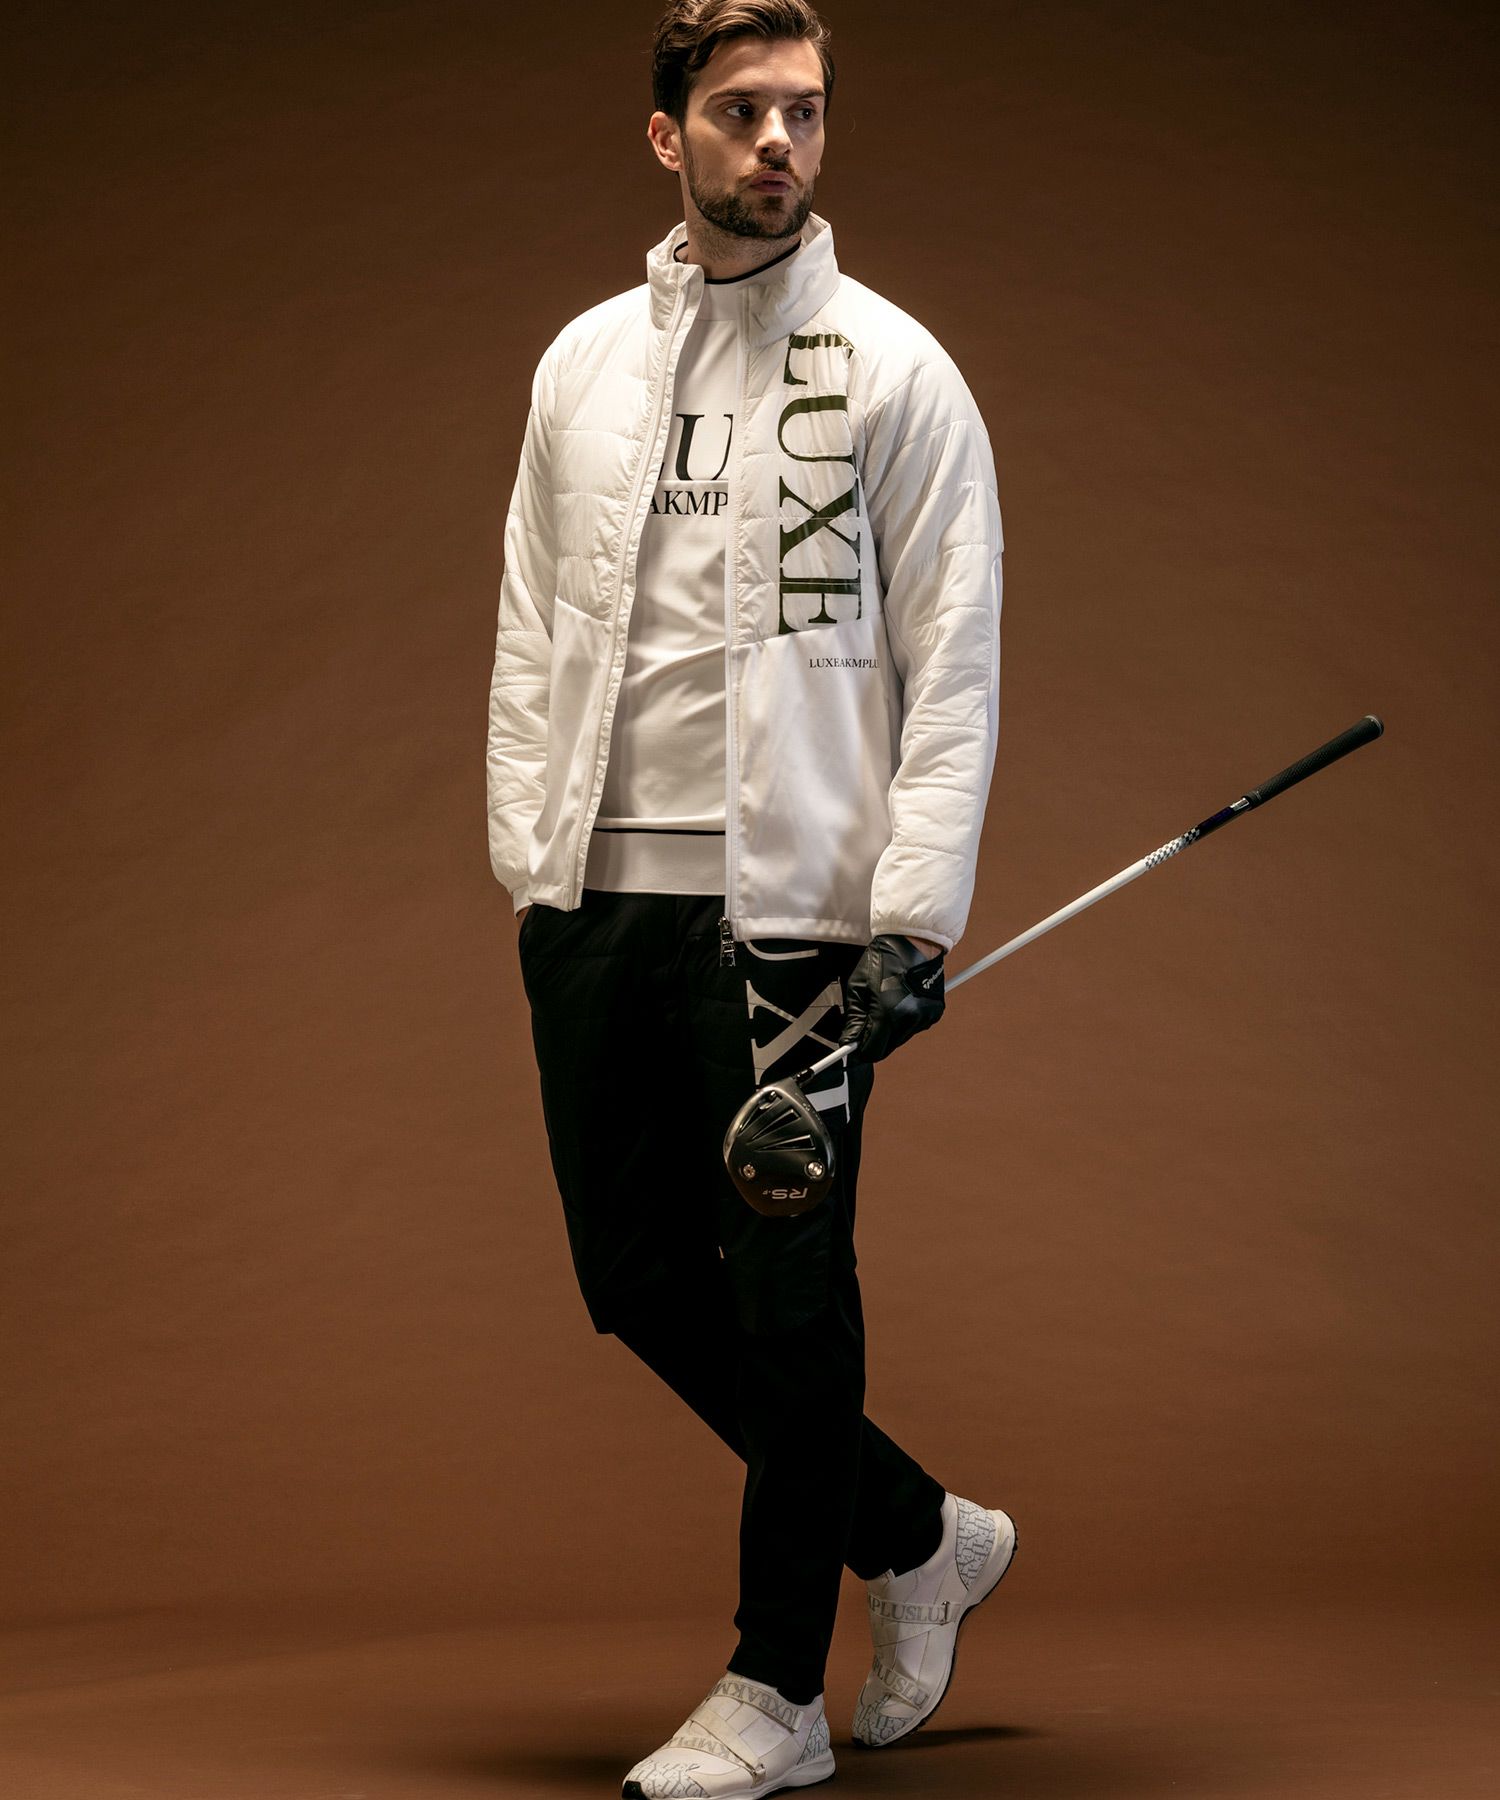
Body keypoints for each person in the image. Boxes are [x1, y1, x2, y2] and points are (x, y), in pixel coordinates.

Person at [485, 3, 1012, 1793]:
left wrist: (914, 915)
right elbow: (533, 622)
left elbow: (953, 662)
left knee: (790, 1296)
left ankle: (777, 1689)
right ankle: (918, 1533)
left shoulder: (897, 371)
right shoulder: (580, 365)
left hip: (791, 918)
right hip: (597, 899)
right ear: (669, 136)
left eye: (803, 110)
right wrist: (530, 861)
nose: (777, 140)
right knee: (634, 1274)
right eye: (738, 111)